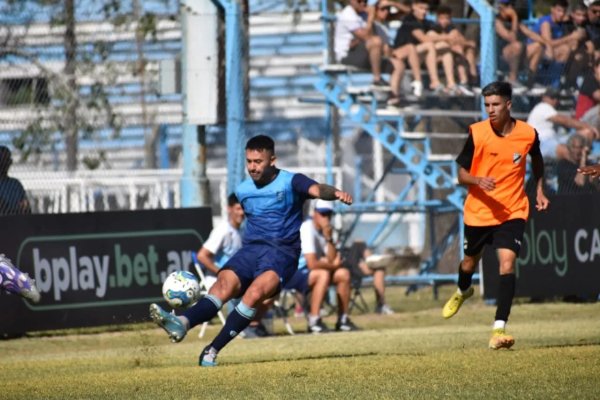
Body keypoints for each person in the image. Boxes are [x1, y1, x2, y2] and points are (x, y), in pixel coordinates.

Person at [149, 135, 353, 367]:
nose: (253, 167)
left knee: (254, 293)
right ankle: (182, 323)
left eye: (259, 161)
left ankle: (212, 350)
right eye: (249, 162)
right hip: (251, 250)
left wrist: (335, 193)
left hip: (282, 254)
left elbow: (316, 189)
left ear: (272, 160)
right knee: (222, 286)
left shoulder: (291, 181)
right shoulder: (243, 190)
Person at [442, 81, 550, 350]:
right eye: (487, 105)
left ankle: (498, 328)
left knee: (507, 264)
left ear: (508, 105)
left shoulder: (527, 133)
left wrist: (539, 190)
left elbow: (537, 160)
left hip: (512, 209)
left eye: (495, 104)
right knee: (468, 263)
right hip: (479, 212)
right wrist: (478, 180)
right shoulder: (478, 133)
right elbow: (461, 174)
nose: (490, 110)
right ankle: (462, 291)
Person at [196, 193, 268, 338]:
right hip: (219, 281)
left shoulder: (242, 230)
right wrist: (221, 272)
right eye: (237, 209)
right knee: (258, 290)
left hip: (238, 278)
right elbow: (202, 256)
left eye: (243, 209)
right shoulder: (222, 230)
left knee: (270, 288)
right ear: (229, 209)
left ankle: (252, 325)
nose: (241, 213)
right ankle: (245, 327)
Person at [292, 199, 358, 332]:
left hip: (312, 271)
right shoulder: (307, 228)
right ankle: (314, 321)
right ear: (314, 213)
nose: (326, 218)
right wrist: (333, 265)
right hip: (294, 271)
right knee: (323, 274)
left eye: (329, 214)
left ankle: (343, 319)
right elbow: (311, 263)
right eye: (323, 214)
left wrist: (329, 238)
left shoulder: (325, 231)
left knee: (343, 274)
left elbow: (332, 258)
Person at [334, 0, 405, 102]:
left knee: (398, 64)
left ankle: (394, 98)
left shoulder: (364, 14)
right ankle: (377, 79)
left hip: (366, 52)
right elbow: (367, 37)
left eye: (365, 1)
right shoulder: (348, 15)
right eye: (359, 1)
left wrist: (392, 3)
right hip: (348, 55)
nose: (363, 3)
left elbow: (406, 11)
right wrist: (371, 17)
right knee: (376, 41)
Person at [393, 0, 458, 95]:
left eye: (426, 9)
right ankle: (434, 82)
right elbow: (423, 38)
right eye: (421, 8)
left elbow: (448, 36)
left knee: (445, 47)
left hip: (420, 56)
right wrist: (448, 37)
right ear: (414, 6)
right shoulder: (409, 20)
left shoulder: (426, 22)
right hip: (405, 56)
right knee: (429, 45)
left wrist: (453, 33)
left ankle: (451, 84)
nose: (424, 12)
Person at [369, 0, 424, 104]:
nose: (385, 12)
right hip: (381, 54)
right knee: (397, 62)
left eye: (387, 10)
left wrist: (392, 3)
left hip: (392, 51)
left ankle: (417, 82)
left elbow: (408, 11)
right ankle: (394, 95)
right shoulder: (371, 22)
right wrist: (374, 7)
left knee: (411, 48)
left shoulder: (386, 21)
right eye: (382, 10)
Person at [526, 87, 598, 160]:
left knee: (586, 132)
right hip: (540, 143)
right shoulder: (542, 106)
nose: (555, 100)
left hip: (554, 138)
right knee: (564, 150)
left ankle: (586, 158)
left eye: (557, 97)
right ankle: (577, 166)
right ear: (544, 98)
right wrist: (588, 126)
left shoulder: (548, 109)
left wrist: (589, 129)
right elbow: (565, 121)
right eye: (552, 97)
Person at [431, 5, 477, 94]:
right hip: (438, 57)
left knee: (469, 51)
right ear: (437, 19)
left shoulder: (452, 30)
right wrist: (449, 40)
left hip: (453, 54)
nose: (444, 21)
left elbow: (463, 41)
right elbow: (432, 41)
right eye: (442, 18)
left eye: (447, 18)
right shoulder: (433, 29)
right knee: (452, 50)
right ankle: (458, 82)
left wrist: (464, 43)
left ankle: (471, 82)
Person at [0, 146, 31, 215]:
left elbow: (26, 208)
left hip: (16, 222)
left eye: (7, 160)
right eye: (2, 160)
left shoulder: (15, 184)